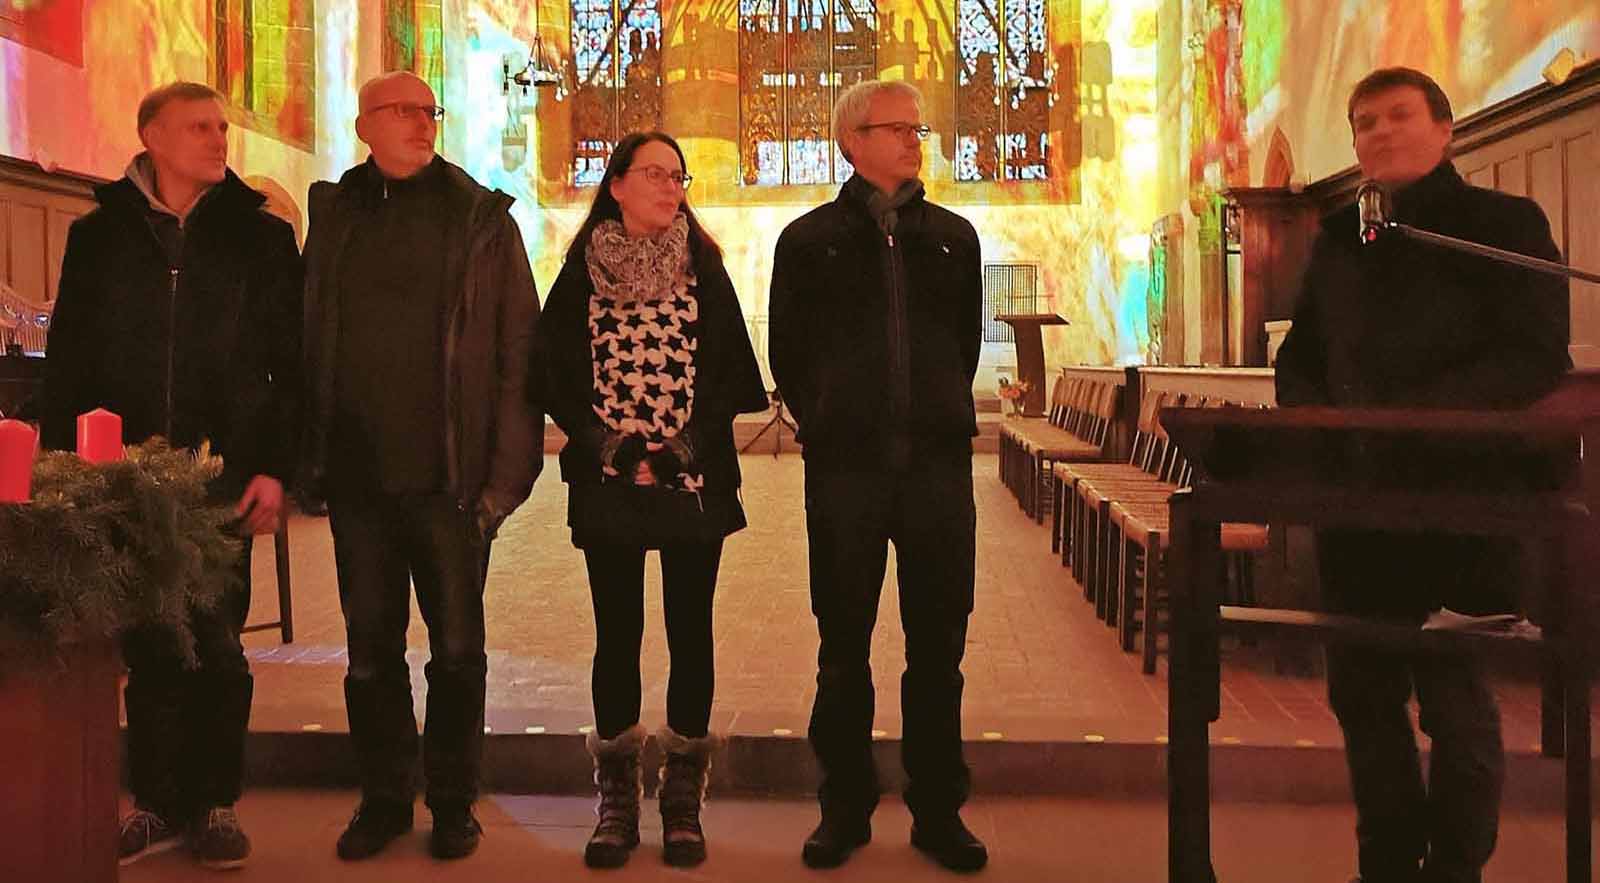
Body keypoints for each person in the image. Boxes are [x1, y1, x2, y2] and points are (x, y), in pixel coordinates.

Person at [1275, 66, 1571, 883]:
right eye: (1364, 122)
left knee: (1454, 701)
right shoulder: (1340, 238)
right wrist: (1315, 418)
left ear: (1447, 128)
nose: (1380, 133)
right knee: (1363, 701)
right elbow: (1301, 355)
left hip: (1460, 498)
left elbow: (1534, 352)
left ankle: (1454, 866)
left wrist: (1416, 417)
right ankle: (1387, 864)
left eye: (1399, 116)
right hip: (1356, 502)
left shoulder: (1501, 222)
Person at [40, 81, 302, 870]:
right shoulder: (100, 236)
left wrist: (277, 470)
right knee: (149, 643)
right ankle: (155, 800)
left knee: (218, 641)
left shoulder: (261, 238)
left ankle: (216, 800)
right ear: (150, 135)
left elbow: (288, 369)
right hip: (125, 475)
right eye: (199, 126)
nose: (219, 137)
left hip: (224, 471)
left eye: (222, 125)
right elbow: (70, 360)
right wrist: (67, 471)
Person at [298, 71, 543, 862]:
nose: (421, 123)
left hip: (451, 484)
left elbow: (518, 351)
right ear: (363, 123)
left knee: (458, 653)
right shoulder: (335, 217)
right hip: (359, 481)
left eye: (428, 110)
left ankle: (451, 801)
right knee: (370, 655)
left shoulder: (478, 217)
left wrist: (506, 479)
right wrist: (311, 458)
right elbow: (307, 343)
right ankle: (382, 797)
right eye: (402, 112)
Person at [529, 131, 768, 869]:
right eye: (656, 175)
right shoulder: (581, 272)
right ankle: (617, 795)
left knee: (690, 631)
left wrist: (677, 450)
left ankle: (684, 794)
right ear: (619, 183)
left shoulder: (705, 266)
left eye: (679, 176)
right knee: (617, 633)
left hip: (691, 480)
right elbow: (555, 373)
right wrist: (616, 448)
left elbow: (731, 373)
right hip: (610, 479)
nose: (671, 187)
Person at [768, 79, 988, 872]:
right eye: (896, 128)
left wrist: (930, 410)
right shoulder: (808, 239)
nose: (913, 139)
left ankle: (938, 810)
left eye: (917, 127)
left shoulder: (954, 239)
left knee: (938, 646)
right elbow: (788, 352)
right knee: (842, 645)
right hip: (847, 472)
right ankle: (844, 807)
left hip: (935, 470)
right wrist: (828, 419)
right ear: (851, 141)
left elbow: (962, 346)